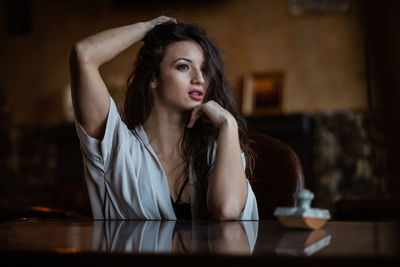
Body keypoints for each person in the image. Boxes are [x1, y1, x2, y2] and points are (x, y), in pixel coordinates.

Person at [69, 16, 258, 220]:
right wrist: (148, 28)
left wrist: (228, 125)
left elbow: (226, 210)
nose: (199, 79)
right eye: (184, 67)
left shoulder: (218, 151)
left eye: (203, 69)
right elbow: (84, 54)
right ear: (154, 78)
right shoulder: (116, 147)